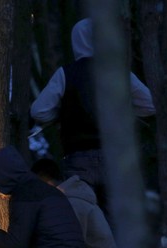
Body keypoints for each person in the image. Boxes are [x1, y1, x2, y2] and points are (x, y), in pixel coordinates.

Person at [29, 18, 155, 219]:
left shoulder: (66, 74)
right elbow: (149, 104)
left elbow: (38, 111)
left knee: (83, 222)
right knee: (116, 223)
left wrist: (63, 112)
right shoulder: (117, 72)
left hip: (78, 159)